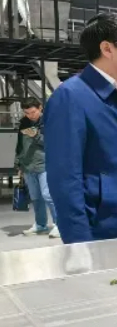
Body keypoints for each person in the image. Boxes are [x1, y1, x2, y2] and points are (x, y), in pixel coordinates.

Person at [45, 13, 117, 244]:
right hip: (101, 231)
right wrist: (79, 242)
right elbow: (65, 179)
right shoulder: (70, 97)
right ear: (107, 48)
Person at [14, 97, 59, 238]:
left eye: (33, 112)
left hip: (45, 164)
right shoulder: (24, 122)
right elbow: (20, 144)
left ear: (40, 108)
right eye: (27, 113)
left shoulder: (50, 121)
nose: (30, 116)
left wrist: (36, 136)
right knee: (36, 197)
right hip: (28, 165)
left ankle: (60, 225)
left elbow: (54, 144)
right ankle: (40, 225)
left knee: (48, 195)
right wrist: (18, 163)